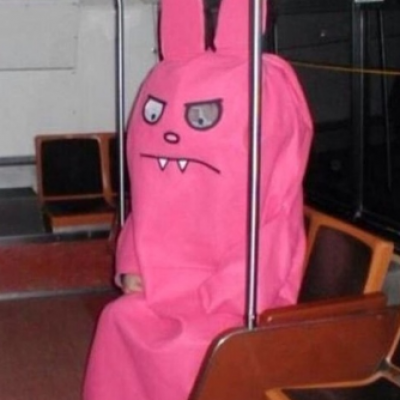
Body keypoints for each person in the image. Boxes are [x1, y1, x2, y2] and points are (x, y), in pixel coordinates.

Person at [83, 0, 313, 399]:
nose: (171, 133)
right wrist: (133, 265)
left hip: (237, 292)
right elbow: (148, 202)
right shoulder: (170, 75)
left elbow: (275, 221)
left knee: (196, 345)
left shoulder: (262, 85)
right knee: (120, 318)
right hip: (168, 283)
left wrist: (222, 294)